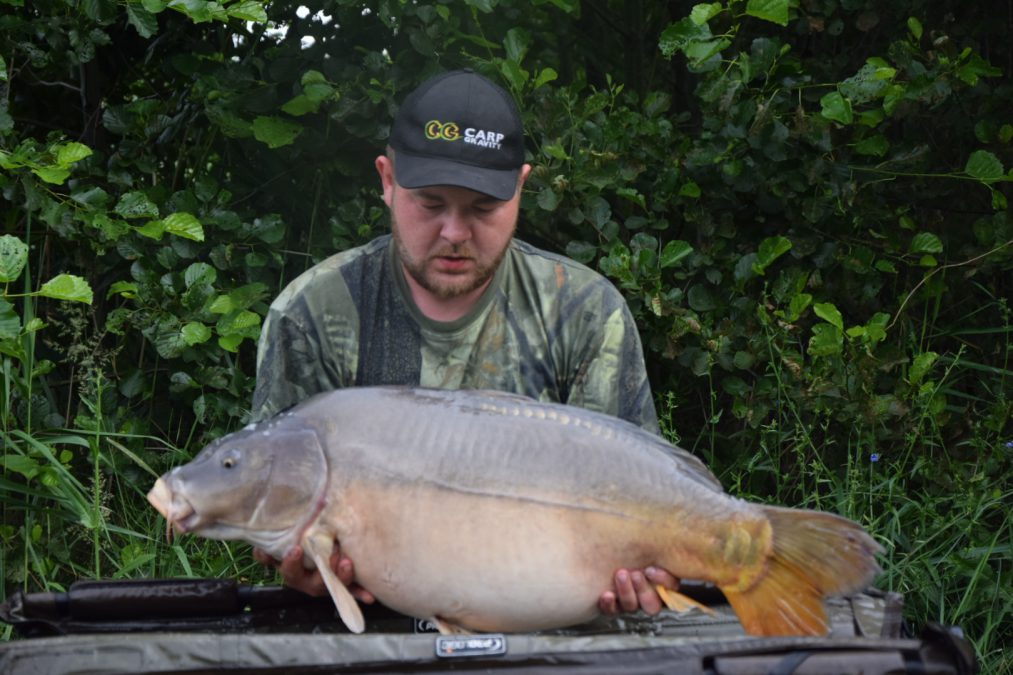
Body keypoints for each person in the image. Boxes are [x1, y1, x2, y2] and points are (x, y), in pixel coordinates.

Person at [250, 69, 678, 617]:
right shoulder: (312, 313)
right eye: (430, 204)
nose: (454, 232)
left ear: (520, 187)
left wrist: (647, 572)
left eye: (482, 208)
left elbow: (640, 497)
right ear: (387, 180)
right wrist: (297, 559)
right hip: (369, 626)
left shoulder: (586, 312)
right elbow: (274, 508)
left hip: (546, 623)